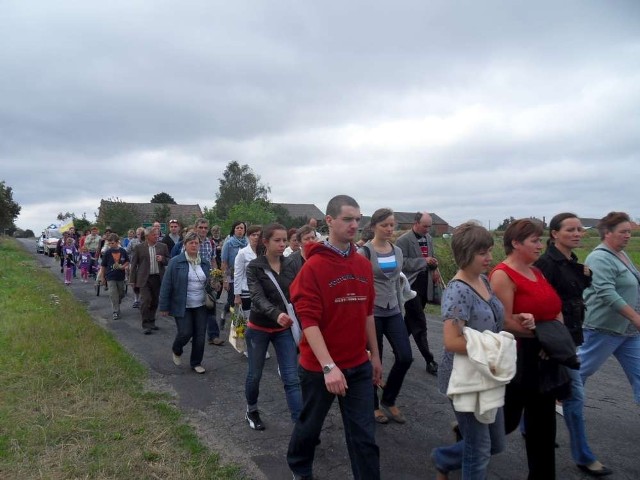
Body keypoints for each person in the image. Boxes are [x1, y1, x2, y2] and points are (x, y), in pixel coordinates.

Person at [287, 195, 382, 480]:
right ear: (329, 221)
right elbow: (309, 321)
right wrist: (329, 367)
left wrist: (375, 355)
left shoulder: (363, 264)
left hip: (358, 365)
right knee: (310, 426)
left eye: (358, 219)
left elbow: (367, 313)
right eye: (347, 219)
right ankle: (299, 468)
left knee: (365, 437)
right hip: (320, 369)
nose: (355, 224)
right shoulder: (314, 268)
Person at [534, 213, 612, 477]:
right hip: (556, 340)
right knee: (574, 397)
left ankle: (523, 427)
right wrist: (547, 340)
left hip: (572, 336)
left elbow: (575, 292)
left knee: (535, 392)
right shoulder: (546, 264)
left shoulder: (572, 260)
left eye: (579, 229)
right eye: (571, 229)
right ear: (555, 234)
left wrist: (584, 274)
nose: (578, 233)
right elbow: (541, 305)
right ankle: (584, 455)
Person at [490, 219, 568, 479]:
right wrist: (545, 337)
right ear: (515, 243)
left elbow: (554, 306)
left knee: (544, 427)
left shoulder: (537, 272)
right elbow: (505, 321)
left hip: (544, 356)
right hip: (518, 358)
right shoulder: (502, 274)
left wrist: (555, 341)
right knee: (507, 422)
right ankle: (460, 448)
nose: (540, 245)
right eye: (534, 240)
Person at [431, 222, 511, 479]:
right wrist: (494, 346)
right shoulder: (457, 291)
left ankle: (443, 458)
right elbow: (451, 341)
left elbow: (495, 320)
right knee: (479, 450)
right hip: (464, 378)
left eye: (489, 250)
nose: (489, 257)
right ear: (466, 254)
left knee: (496, 444)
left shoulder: (484, 281)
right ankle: (448, 458)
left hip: (486, 374)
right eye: (482, 253)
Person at [580, 213, 640, 414]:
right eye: (623, 232)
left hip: (629, 331)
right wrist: (635, 317)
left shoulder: (621, 255)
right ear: (607, 233)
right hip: (604, 327)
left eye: (629, 232)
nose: (628, 236)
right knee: (579, 369)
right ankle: (553, 399)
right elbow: (606, 292)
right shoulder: (599, 257)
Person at [358, 208, 413, 425]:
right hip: (372, 313)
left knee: (405, 356)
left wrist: (402, 306)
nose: (390, 229)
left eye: (392, 225)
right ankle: (372, 405)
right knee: (374, 358)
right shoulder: (364, 253)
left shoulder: (397, 251)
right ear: (374, 227)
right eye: (385, 225)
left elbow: (397, 282)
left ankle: (388, 399)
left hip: (393, 310)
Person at [244, 223, 301, 429]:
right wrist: (277, 314)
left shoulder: (290, 265)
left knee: (291, 378)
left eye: (284, 240)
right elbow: (257, 297)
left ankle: (300, 425)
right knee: (255, 374)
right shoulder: (255, 267)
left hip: (283, 330)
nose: (282, 244)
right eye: (277, 240)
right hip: (258, 328)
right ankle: (251, 410)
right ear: (265, 242)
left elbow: (298, 294)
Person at [159, 231, 210, 374]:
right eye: (191, 243)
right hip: (182, 304)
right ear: (185, 245)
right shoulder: (176, 262)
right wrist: (164, 306)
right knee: (185, 333)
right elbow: (166, 284)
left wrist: (215, 286)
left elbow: (209, 284)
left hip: (201, 305)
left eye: (196, 243)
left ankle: (196, 363)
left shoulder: (204, 262)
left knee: (200, 336)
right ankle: (177, 349)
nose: (194, 245)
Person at [396, 211, 439, 375]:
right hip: (410, 286)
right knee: (420, 323)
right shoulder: (403, 240)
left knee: (409, 322)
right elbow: (402, 263)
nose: (428, 229)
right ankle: (430, 360)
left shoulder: (428, 239)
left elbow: (431, 258)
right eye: (425, 226)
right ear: (416, 223)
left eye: (430, 226)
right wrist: (423, 261)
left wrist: (434, 267)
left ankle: (399, 349)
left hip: (424, 285)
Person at [129, 227, 169, 334]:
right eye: (154, 235)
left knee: (155, 301)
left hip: (157, 277)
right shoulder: (139, 248)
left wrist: (163, 259)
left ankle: (152, 321)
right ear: (147, 237)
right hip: (144, 278)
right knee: (146, 300)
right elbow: (133, 265)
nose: (157, 236)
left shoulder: (163, 246)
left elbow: (169, 260)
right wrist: (132, 280)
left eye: (157, 234)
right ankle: (145, 324)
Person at [193, 218, 224, 346]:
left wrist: (216, 278)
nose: (203, 230)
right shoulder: (191, 242)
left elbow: (213, 261)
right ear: (196, 228)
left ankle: (213, 336)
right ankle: (192, 333)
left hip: (208, 280)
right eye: (201, 227)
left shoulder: (210, 243)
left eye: (205, 228)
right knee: (194, 309)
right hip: (193, 280)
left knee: (211, 307)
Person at [221, 221, 248, 322]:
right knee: (233, 300)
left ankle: (239, 320)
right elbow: (224, 263)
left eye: (242, 228)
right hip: (232, 275)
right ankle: (236, 324)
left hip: (245, 276)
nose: (240, 230)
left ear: (245, 230)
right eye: (237, 228)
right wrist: (226, 280)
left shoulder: (247, 243)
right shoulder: (229, 243)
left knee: (243, 300)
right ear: (234, 230)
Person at [99, 233, 130, 320]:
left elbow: (127, 261)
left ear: (117, 242)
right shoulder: (108, 253)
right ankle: (115, 311)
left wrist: (123, 266)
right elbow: (103, 265)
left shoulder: (123, 251)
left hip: (120, 276)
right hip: (110, 276)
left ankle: (118, 300)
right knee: (113, 294)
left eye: (112, 243)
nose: (111, 245)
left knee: (121, 293)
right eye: (109, 243)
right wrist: (102, 277)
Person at [126, 227, 145, 308]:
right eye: (138, 234)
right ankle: (136, 299)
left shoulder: (147, 242)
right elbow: (127, 251)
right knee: (133, 281)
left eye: (141, 234)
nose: (140, 235)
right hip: (134, 264)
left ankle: (142, 298)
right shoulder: (133, 241)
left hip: (144, 265)